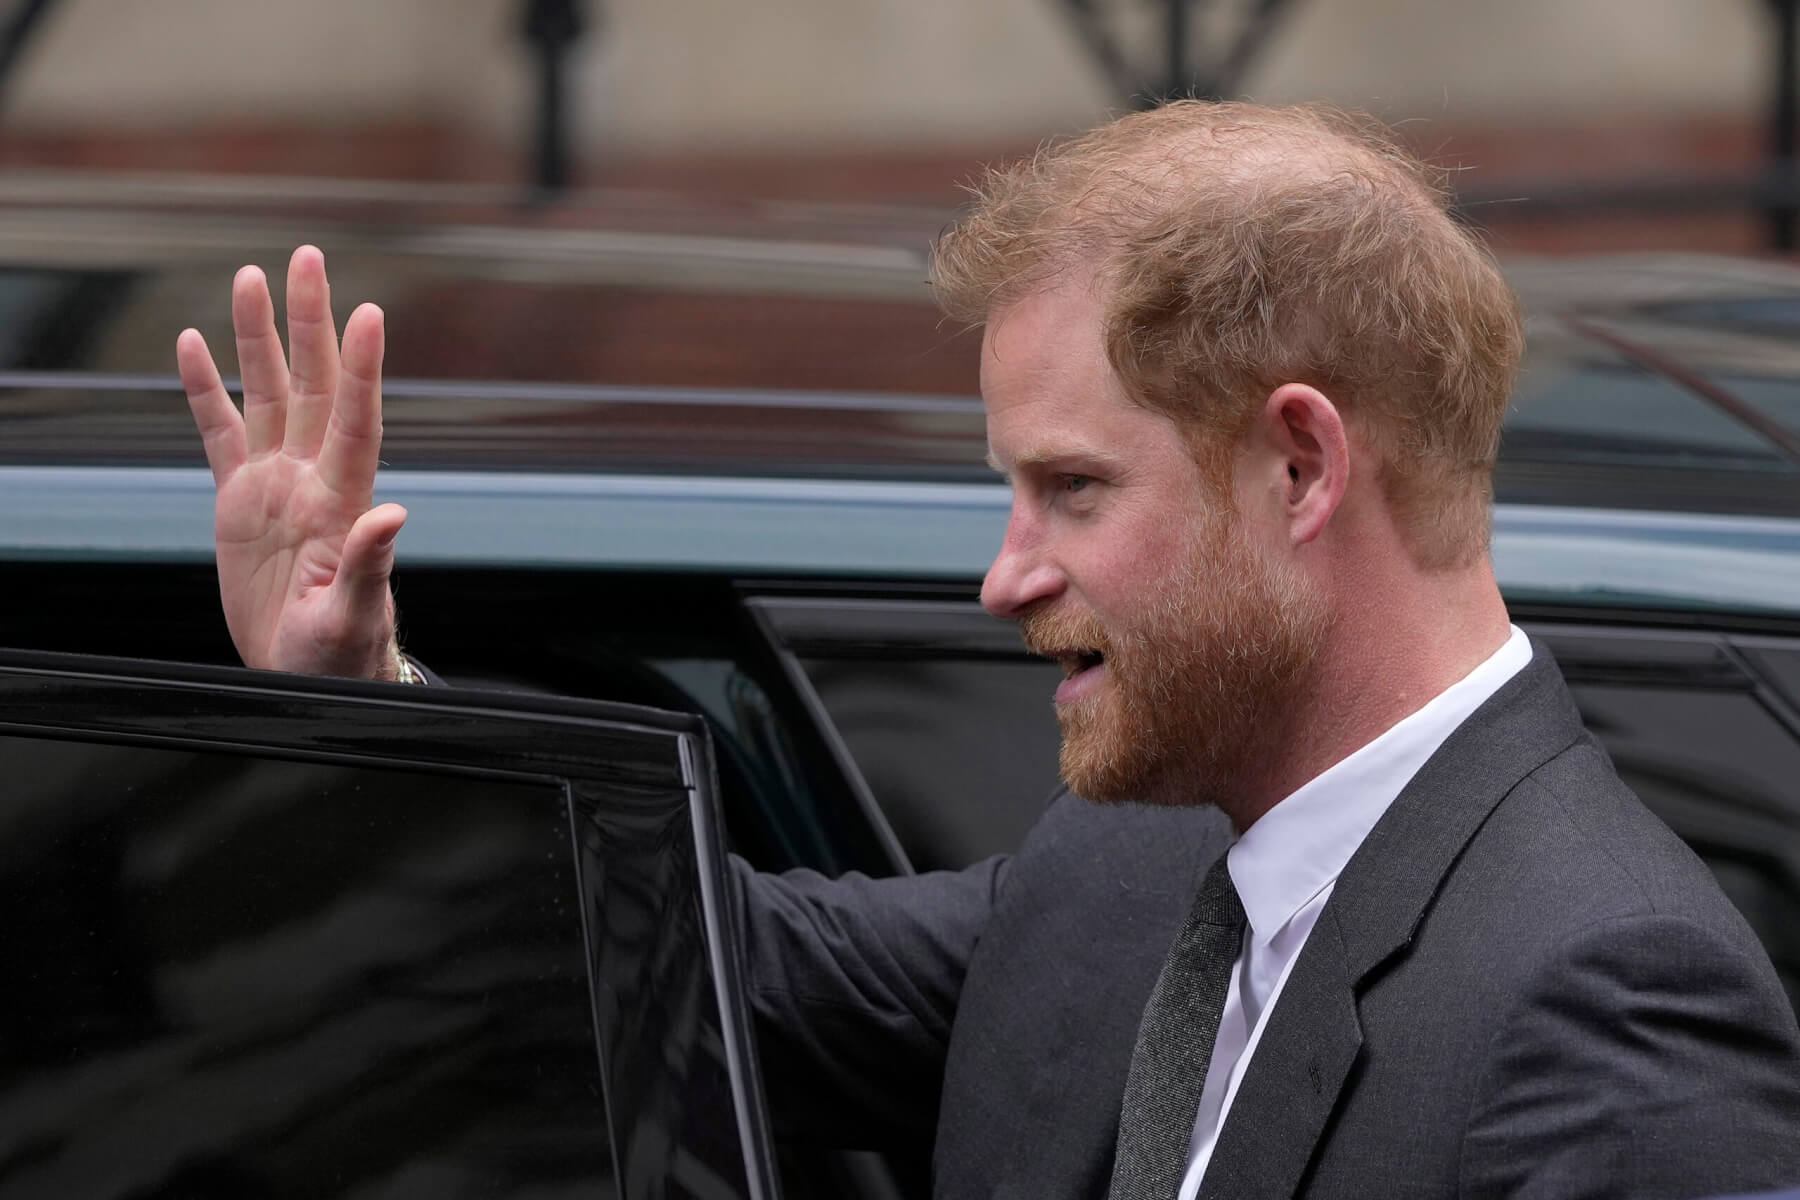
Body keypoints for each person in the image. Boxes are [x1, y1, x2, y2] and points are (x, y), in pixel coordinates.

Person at [178, 102, 1800, 1199]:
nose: (1004, 576)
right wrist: (353, 699)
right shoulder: (1134, 865)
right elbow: (707, 967)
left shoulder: (1609, 1000)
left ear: (1301, 468)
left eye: (1072, 489)